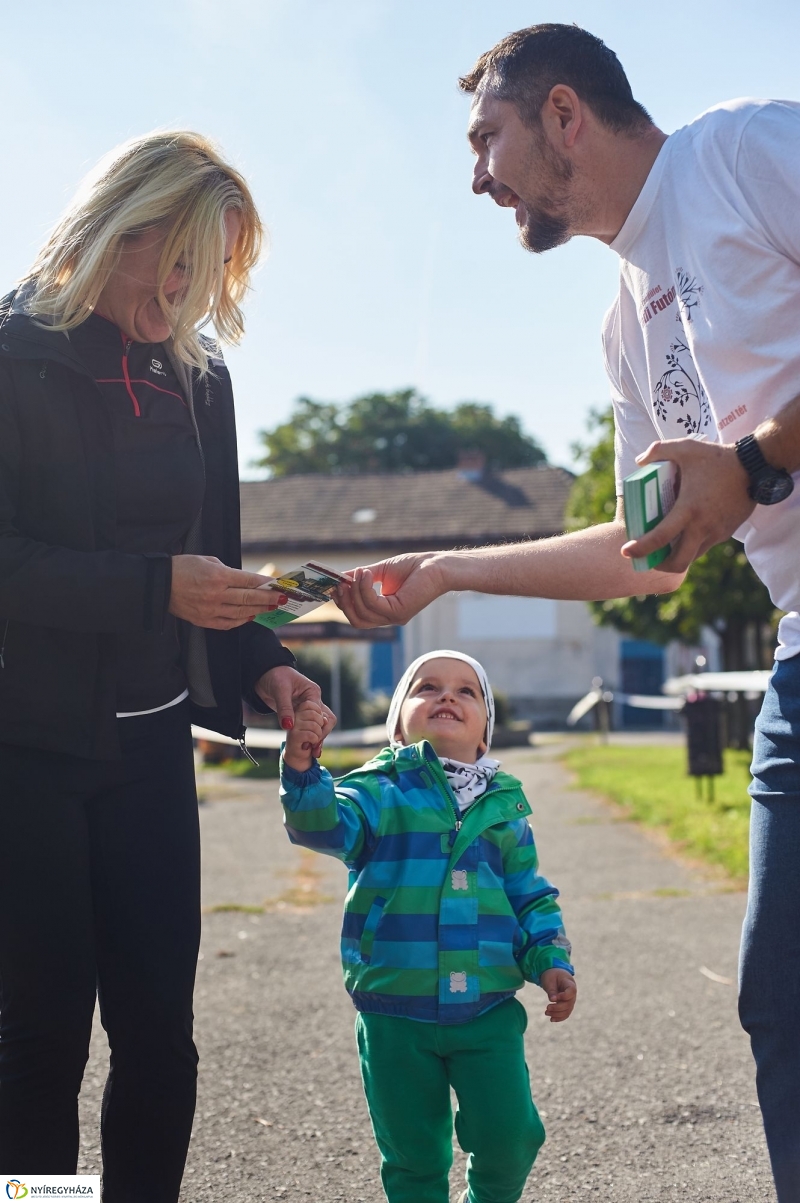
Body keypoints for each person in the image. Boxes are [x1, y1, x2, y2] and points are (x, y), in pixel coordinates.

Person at [334, 23, 800, 1200]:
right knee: (780, 995)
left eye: (484, 138)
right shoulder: (620, 322)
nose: (476, 174)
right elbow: (643, 560)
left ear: (559, 114)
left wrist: (754, 460)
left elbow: (737, 473)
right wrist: (446, 569)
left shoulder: (742, 153)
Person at [0, 131, 334, 1198]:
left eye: (217, 273)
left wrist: (263, 664)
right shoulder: (9, 353)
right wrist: (155, 588)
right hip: (22, 753)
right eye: (182, 263)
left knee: (161, 1043)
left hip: (149, 755)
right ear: (123, 230)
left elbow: (212, 572)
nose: (191, 296)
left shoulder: (199, 379)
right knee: (38, 1047)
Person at [280, 650, 576, 1203]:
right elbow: (321, 827)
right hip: (395, 1012)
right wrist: (303, 773)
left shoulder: (504, 808)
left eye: (468, 692)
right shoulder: (377, 791)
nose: (447, 696)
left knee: (511, 1138)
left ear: (485, 727)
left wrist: (551, 959)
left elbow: (530, 896)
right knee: (414, 1158)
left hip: (487, 1010)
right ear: (398, 724)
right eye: (428, 687)